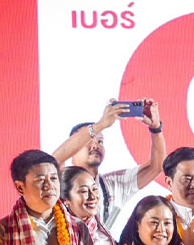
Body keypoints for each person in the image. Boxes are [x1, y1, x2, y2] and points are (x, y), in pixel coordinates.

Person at [52, 97, 165, 229]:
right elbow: (55, 159)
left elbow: (156, 166)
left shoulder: (113, 184)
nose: (96, 146)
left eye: (100, 141)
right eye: (89, 141)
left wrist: (156, 128)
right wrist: (100, 125)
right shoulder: (59, 181)